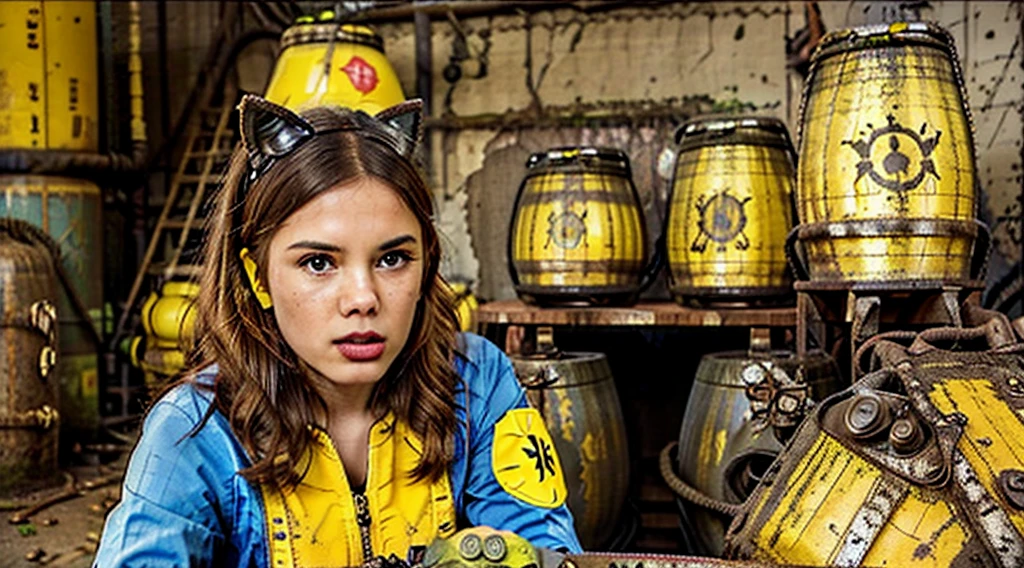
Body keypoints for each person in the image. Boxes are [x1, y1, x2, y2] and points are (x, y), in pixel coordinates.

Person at [94, 94, 582, 567]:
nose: (363, 298)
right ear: (257, 277)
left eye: (393, 259)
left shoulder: (478, 382)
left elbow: (551, 551)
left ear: (426, 262)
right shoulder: (193, 431)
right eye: (318, 262)